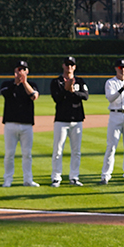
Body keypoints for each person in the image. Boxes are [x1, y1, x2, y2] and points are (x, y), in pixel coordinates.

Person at [50, 56, 89, 187]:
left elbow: (85, 96)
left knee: (76, 151)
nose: (69, 67)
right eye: (67, 65)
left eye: (71, 65)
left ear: (75, 67)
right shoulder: (56, 82)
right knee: (58, 150)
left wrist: (72, 91)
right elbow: (56, 98)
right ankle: (56, 177)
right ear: (63, 66)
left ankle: (74, 177)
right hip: (61, 120)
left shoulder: (80, 81)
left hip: (77, 119)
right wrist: (66, 89)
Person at [0, 60, 40, 188]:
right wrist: (16, 83)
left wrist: (24, 82)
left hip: (27, 125)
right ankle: (8, 179)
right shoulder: (7, 84)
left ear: (27, 71)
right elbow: (5, 93)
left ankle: (28, 179)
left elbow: (34, 96)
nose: (20, 71)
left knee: (27, 154)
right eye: (18, 69)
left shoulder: (31, 84)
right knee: (9, 154)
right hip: (10, 124)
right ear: (15, 71)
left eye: (23, 69)